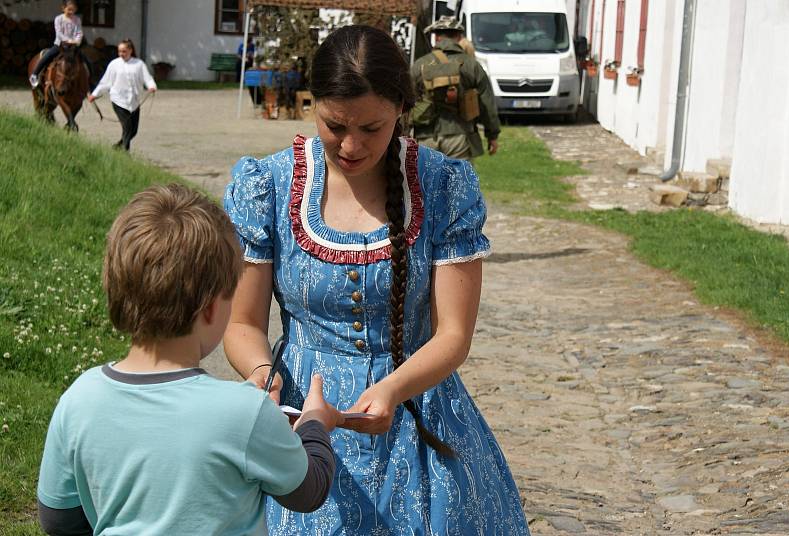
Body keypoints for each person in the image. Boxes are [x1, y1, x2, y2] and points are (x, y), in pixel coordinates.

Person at [223, 25, 528, 534]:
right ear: (313, 103)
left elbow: (453, 334)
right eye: (335, 124)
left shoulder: (442, 187)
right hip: (303, 423)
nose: (350, 144)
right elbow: (242, 322)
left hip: (419, 414)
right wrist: (263, 376)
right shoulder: (269, 188)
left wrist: (392, 388)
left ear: (401, 111)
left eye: (372, 128)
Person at [37, 183, 344, 535]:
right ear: (212, 308)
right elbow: (309, 491)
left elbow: (58, 520)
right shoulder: (245, 413)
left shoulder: (79, 399)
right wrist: (314, 423)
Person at [410, 16, 501, 161]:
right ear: (459, 37)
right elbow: (486, 103)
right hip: (460, 136)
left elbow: (407, 103)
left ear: (437, 37)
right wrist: (492, 136)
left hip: (426, 137)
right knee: (458, 183)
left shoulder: (419, 65)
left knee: (428, 183)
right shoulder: (472, 65)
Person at [88, 39, 156, 151]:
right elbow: (106, 82)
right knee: (127, 127)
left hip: (134, 101)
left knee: (134, 131)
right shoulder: (114, 64)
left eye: (124, 51)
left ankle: (117, 147)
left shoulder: (139, 64)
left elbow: (147, 78)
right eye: (119, 51)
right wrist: (94, 94)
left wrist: (151, 86)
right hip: (118, 100)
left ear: (130, 50)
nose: (121, 54)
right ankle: (125, 152)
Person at [29, 0, 90, 88]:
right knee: (47, 56)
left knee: (85, 59)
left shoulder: (77, 20)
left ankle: (90, 82)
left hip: (72, 46)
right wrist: (68, 40)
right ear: (63, 8)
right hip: (60, 45)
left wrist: (77, 41)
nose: (71, 12)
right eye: (69, 9)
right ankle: (34, 74)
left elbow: (79, 32)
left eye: (73, 10)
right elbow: (59, 33)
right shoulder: (58, 19)